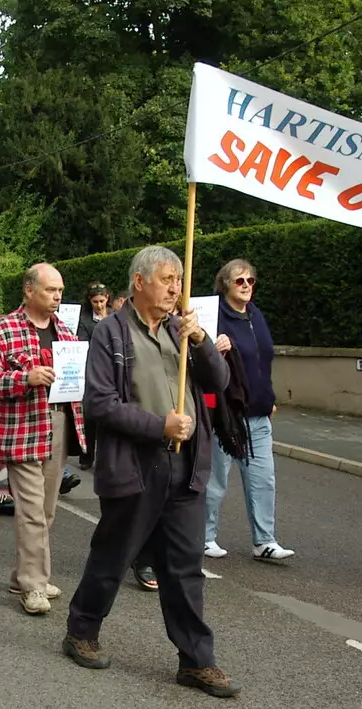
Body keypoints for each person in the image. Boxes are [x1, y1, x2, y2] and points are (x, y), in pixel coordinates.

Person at [62, 246, 240, 698]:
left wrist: (200, 341)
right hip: (135, 465)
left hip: (186, 466)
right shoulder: (110, 333)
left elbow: (218, 382)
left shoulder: (183, 332)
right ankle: (81, 631)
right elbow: (99, 403)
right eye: (167, 280)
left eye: (179, 281)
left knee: (185, 568)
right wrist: (159, 424)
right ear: (139, 282)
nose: (175, 289)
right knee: (113, 555)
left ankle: (197, 661)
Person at [0, 262, 85, 616]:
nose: (57, 296)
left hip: (58, 423)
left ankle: (23, 574)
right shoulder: (3, 329)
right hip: (20, 429)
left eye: (60, 291)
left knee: (47, 510)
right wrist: (25, 378)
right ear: (29, 290)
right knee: (33, 511)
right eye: (51, 290)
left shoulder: (66, 331)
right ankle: (34, 586)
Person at [202, 259, 294, 562]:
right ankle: (204, 536)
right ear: (225, 283)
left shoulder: (256, 315)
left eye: (251, 281)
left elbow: (262, 362)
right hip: (226, 413)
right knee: (216, 480)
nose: (246, 286)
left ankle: (264, 541)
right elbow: (196, 358)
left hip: (258, 414)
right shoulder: (214, 316)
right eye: (239, 280)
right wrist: (213, 349)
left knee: (263, 480)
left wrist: (268, 397)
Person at [74, 282, 112, 473]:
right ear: (90, 301)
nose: (99, 305)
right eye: (95, 301)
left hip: (111, 370)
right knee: (89, 417)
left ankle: (106, 459)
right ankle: (87, 457)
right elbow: (82, 344)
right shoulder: (84, 321)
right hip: (91, 369)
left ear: (107, 298)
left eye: (102, 301)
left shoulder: (115, 316)